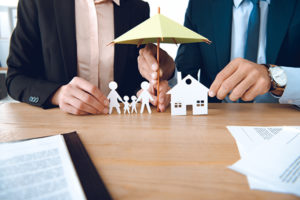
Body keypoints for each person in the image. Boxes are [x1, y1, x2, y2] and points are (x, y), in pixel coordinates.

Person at [138, 0, 300, 109]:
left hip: (284, 119)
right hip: (217, 119)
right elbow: (187, 71)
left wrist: (274, 77)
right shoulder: (201, 5)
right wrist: (167, 86)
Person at [6, 0, 149, 115]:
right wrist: (56, 94)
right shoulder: (37, 3)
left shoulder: (138, 9)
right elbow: (15, 78)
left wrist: (149, 89)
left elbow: (136, 79)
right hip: (58, 126)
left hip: (120, 126)